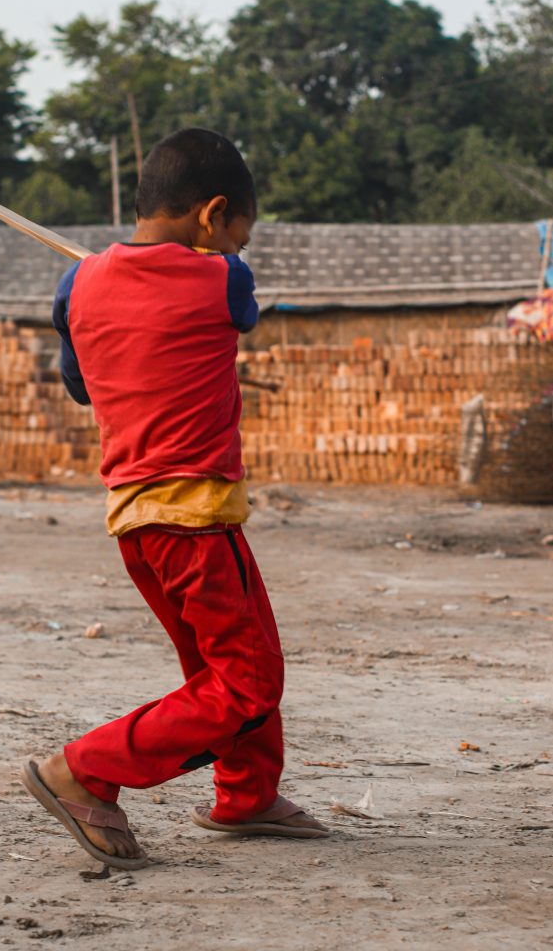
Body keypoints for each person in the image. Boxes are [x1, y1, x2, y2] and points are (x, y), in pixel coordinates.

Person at [21, 128, 329, 869]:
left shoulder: (77, 285)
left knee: (223, 666)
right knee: (248, 683)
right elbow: (243, 309)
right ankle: (85, 769)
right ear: (212, 214)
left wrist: (107, 292)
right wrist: (205, 271)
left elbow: (79, 383)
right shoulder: (224, 278)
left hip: (136, 520)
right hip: (195, 516)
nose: (236, 249)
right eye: (236, 233)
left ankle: (246, 795)